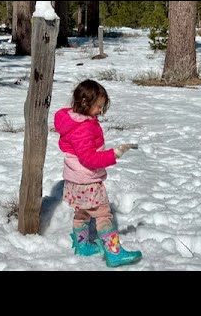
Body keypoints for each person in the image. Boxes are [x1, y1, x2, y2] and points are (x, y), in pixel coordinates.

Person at [54, 79, 142, 267]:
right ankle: (114, 252)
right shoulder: (83, 128)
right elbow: (89, 158)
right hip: (87, 181)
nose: (101, 111)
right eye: (98, 107)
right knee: (103, 215)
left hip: (74, 179)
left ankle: (82, 244)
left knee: (83, 211)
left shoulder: (73, 120)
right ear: (85, 103)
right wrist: (114, 154)